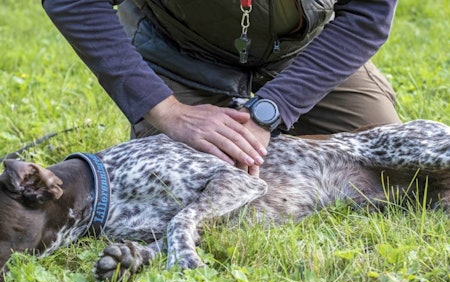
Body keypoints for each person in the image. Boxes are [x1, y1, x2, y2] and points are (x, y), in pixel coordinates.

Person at [42, 0, 401, 176]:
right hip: (180, 56)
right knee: (182, 180)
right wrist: (166, 110)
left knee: (392, 159)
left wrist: (272, 109)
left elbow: (368, 16)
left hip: (298, 53)